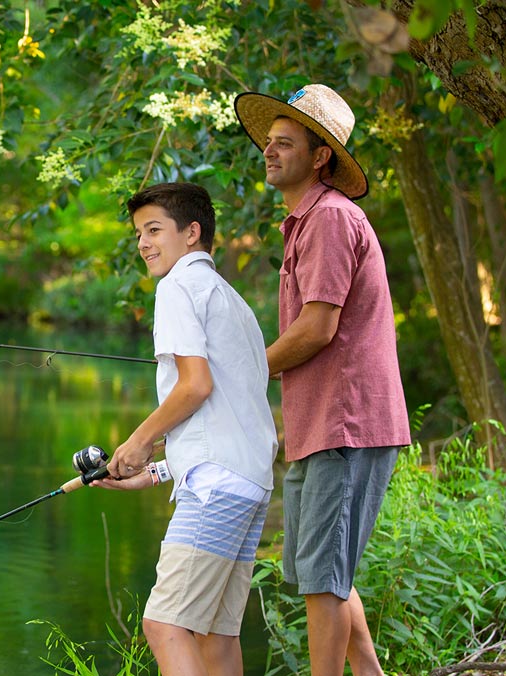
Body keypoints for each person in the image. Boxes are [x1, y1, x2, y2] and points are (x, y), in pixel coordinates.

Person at [232, 84, 411, 676]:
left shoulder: (331, 218)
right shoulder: (303, 223)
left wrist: (245, 369)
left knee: (323, 581)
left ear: (320, 157)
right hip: (320, 424)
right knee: (320, 573)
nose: (269, 151)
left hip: (347, 423)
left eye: (285, 143)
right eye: (268, 142)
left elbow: (317, 329)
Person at [92, 182, 278, 676]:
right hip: (249, 485)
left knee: (165, 624)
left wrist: (138, 440)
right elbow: (225, 418)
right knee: (217, 635)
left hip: (216, 489)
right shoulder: (234, 302)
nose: (143, 244)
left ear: (192, 232)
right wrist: (154, 472)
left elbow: (194, 387)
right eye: (138, 234)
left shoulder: (176, 286)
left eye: (154, 230)